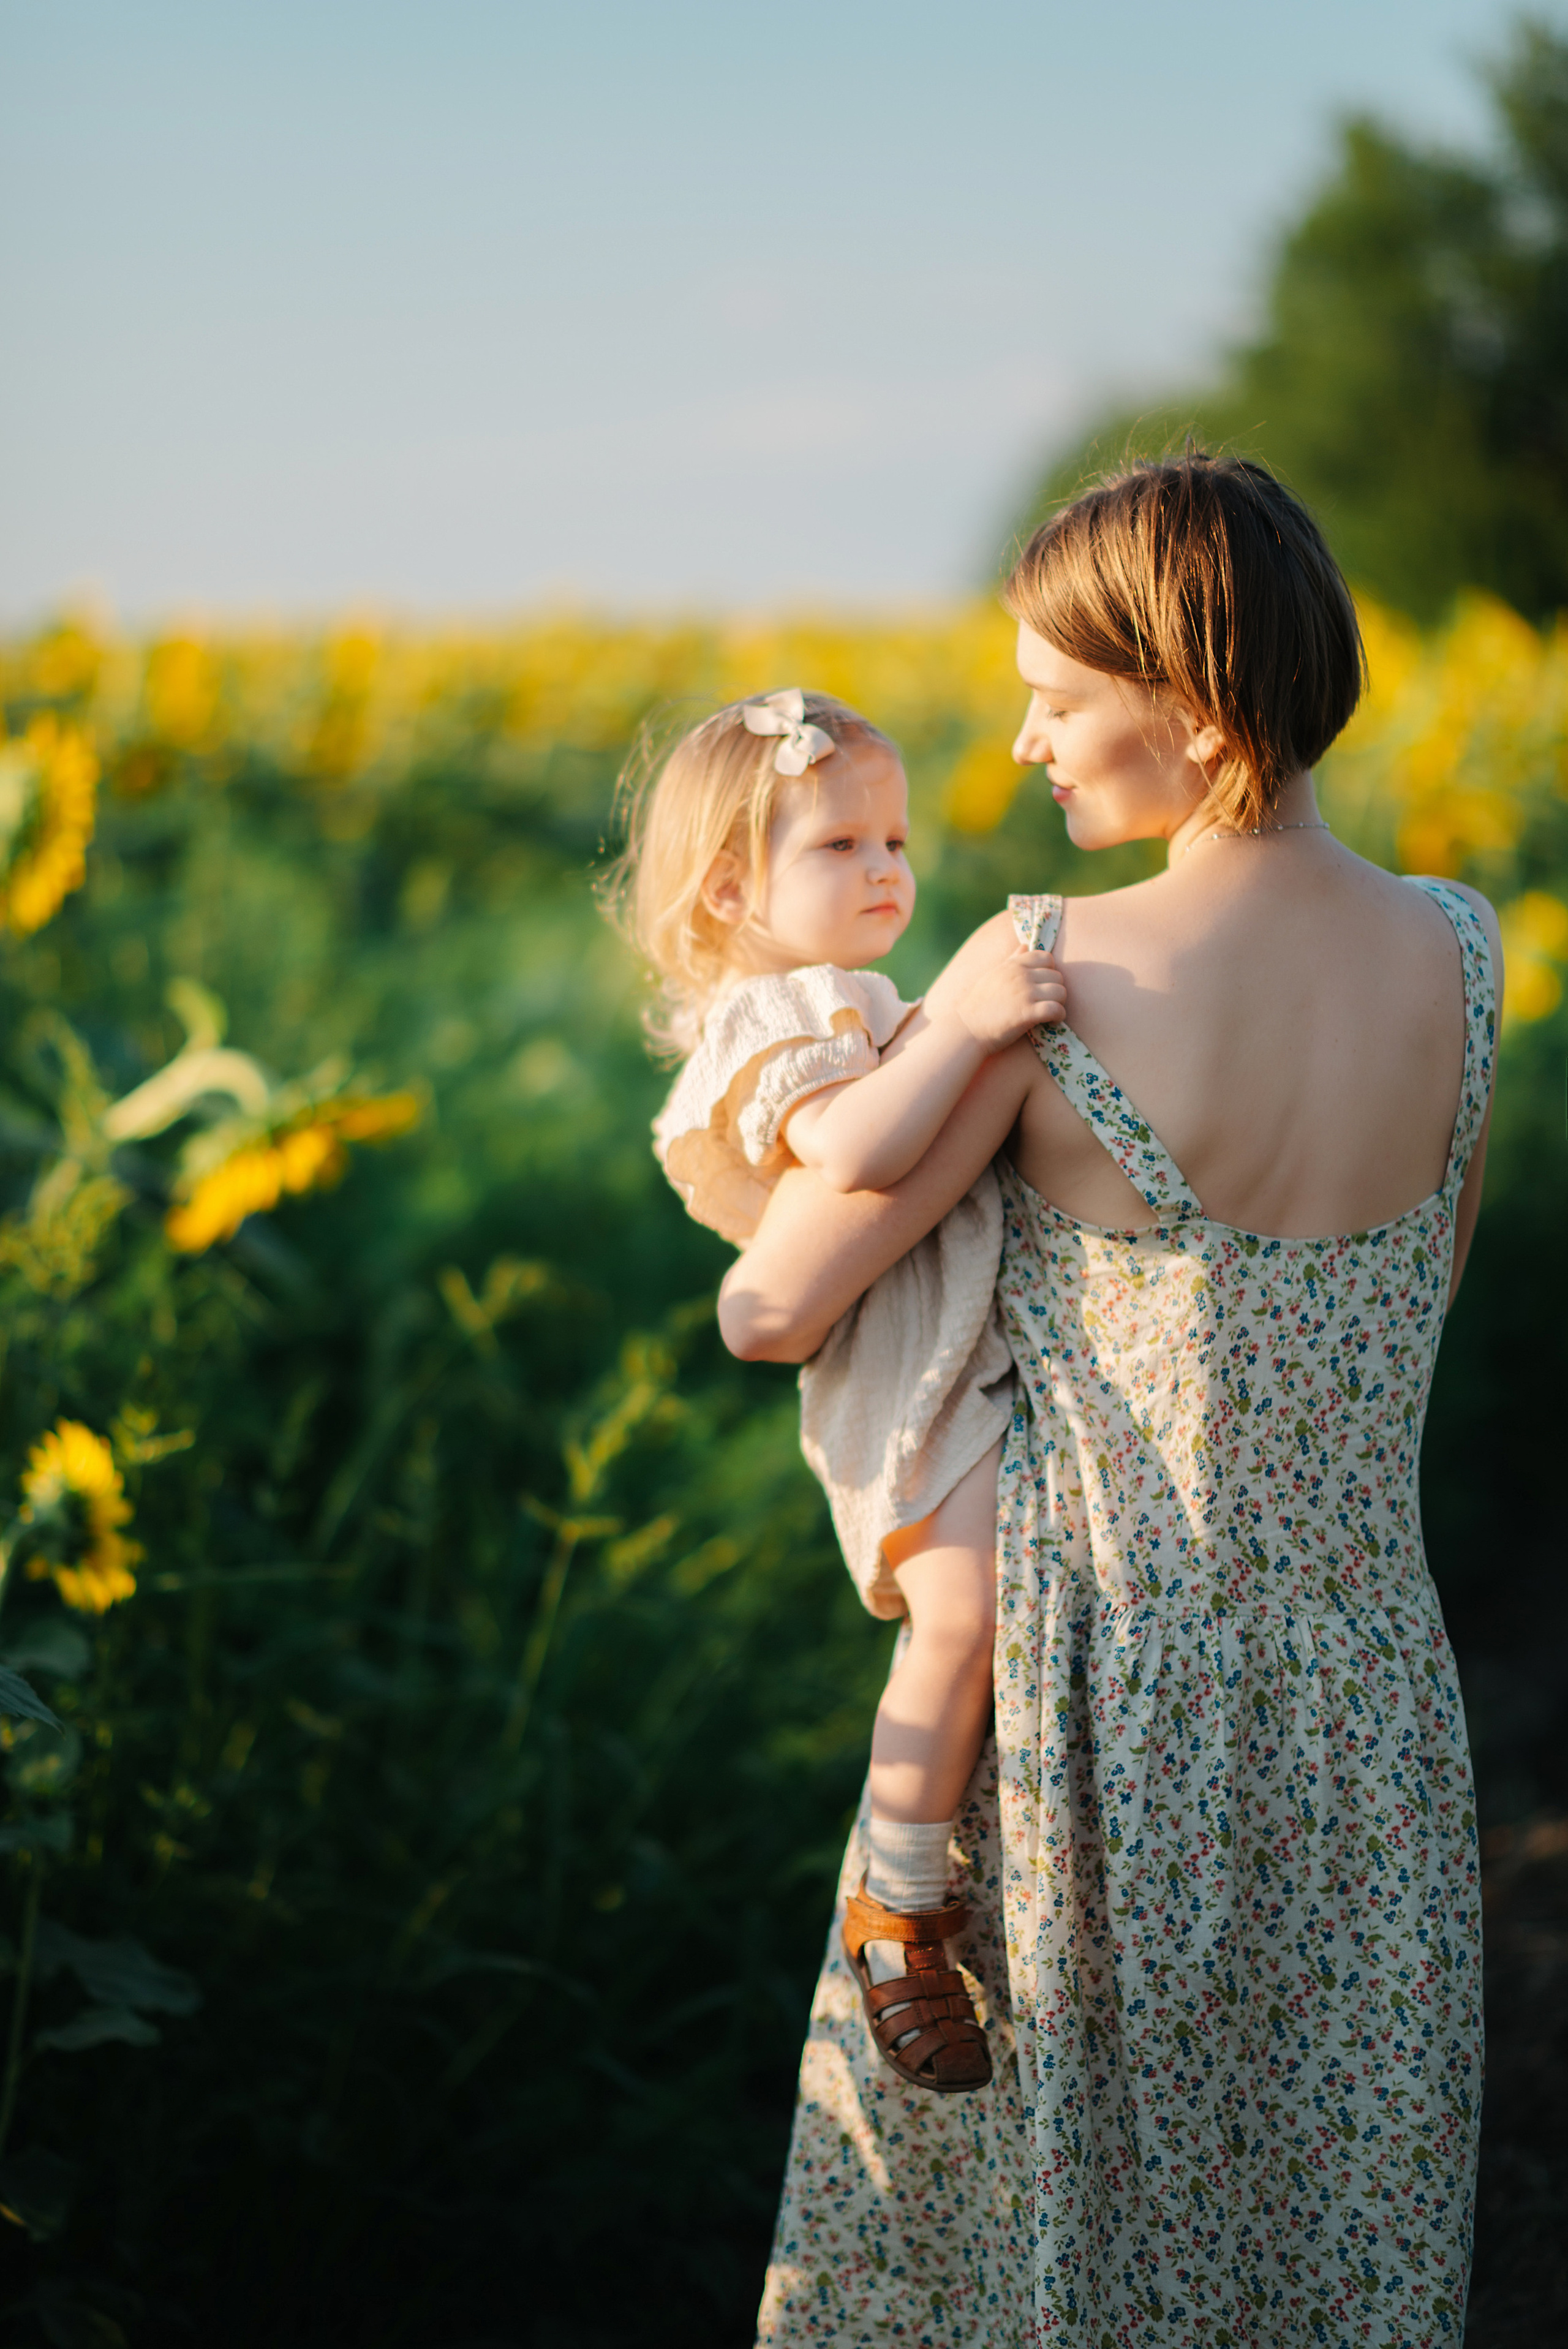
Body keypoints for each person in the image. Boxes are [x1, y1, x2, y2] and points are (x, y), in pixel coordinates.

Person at [720, 454, 1500, 2347]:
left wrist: (798, 1066)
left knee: (1064, 2252)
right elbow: (1432, 1292)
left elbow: (777, 1296)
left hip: (1099, 1709)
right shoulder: (1465, 952)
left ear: (1201, 705)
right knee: (1322, 2234)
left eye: (1063, 700)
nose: (1026, 739)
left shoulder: (1055, 974)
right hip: (1369, 1703)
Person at [607, 687, 1066, 2092]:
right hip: (893, 1377)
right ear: (733, 889)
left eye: (895, 839)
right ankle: (898, 1897)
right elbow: (860, 1151)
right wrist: (968, 1016)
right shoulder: (766, 1022)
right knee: (963, 1605)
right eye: (841, 845)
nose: (885, 869)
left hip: (944, 1344)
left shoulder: (847, 998)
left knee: (995, 1604)